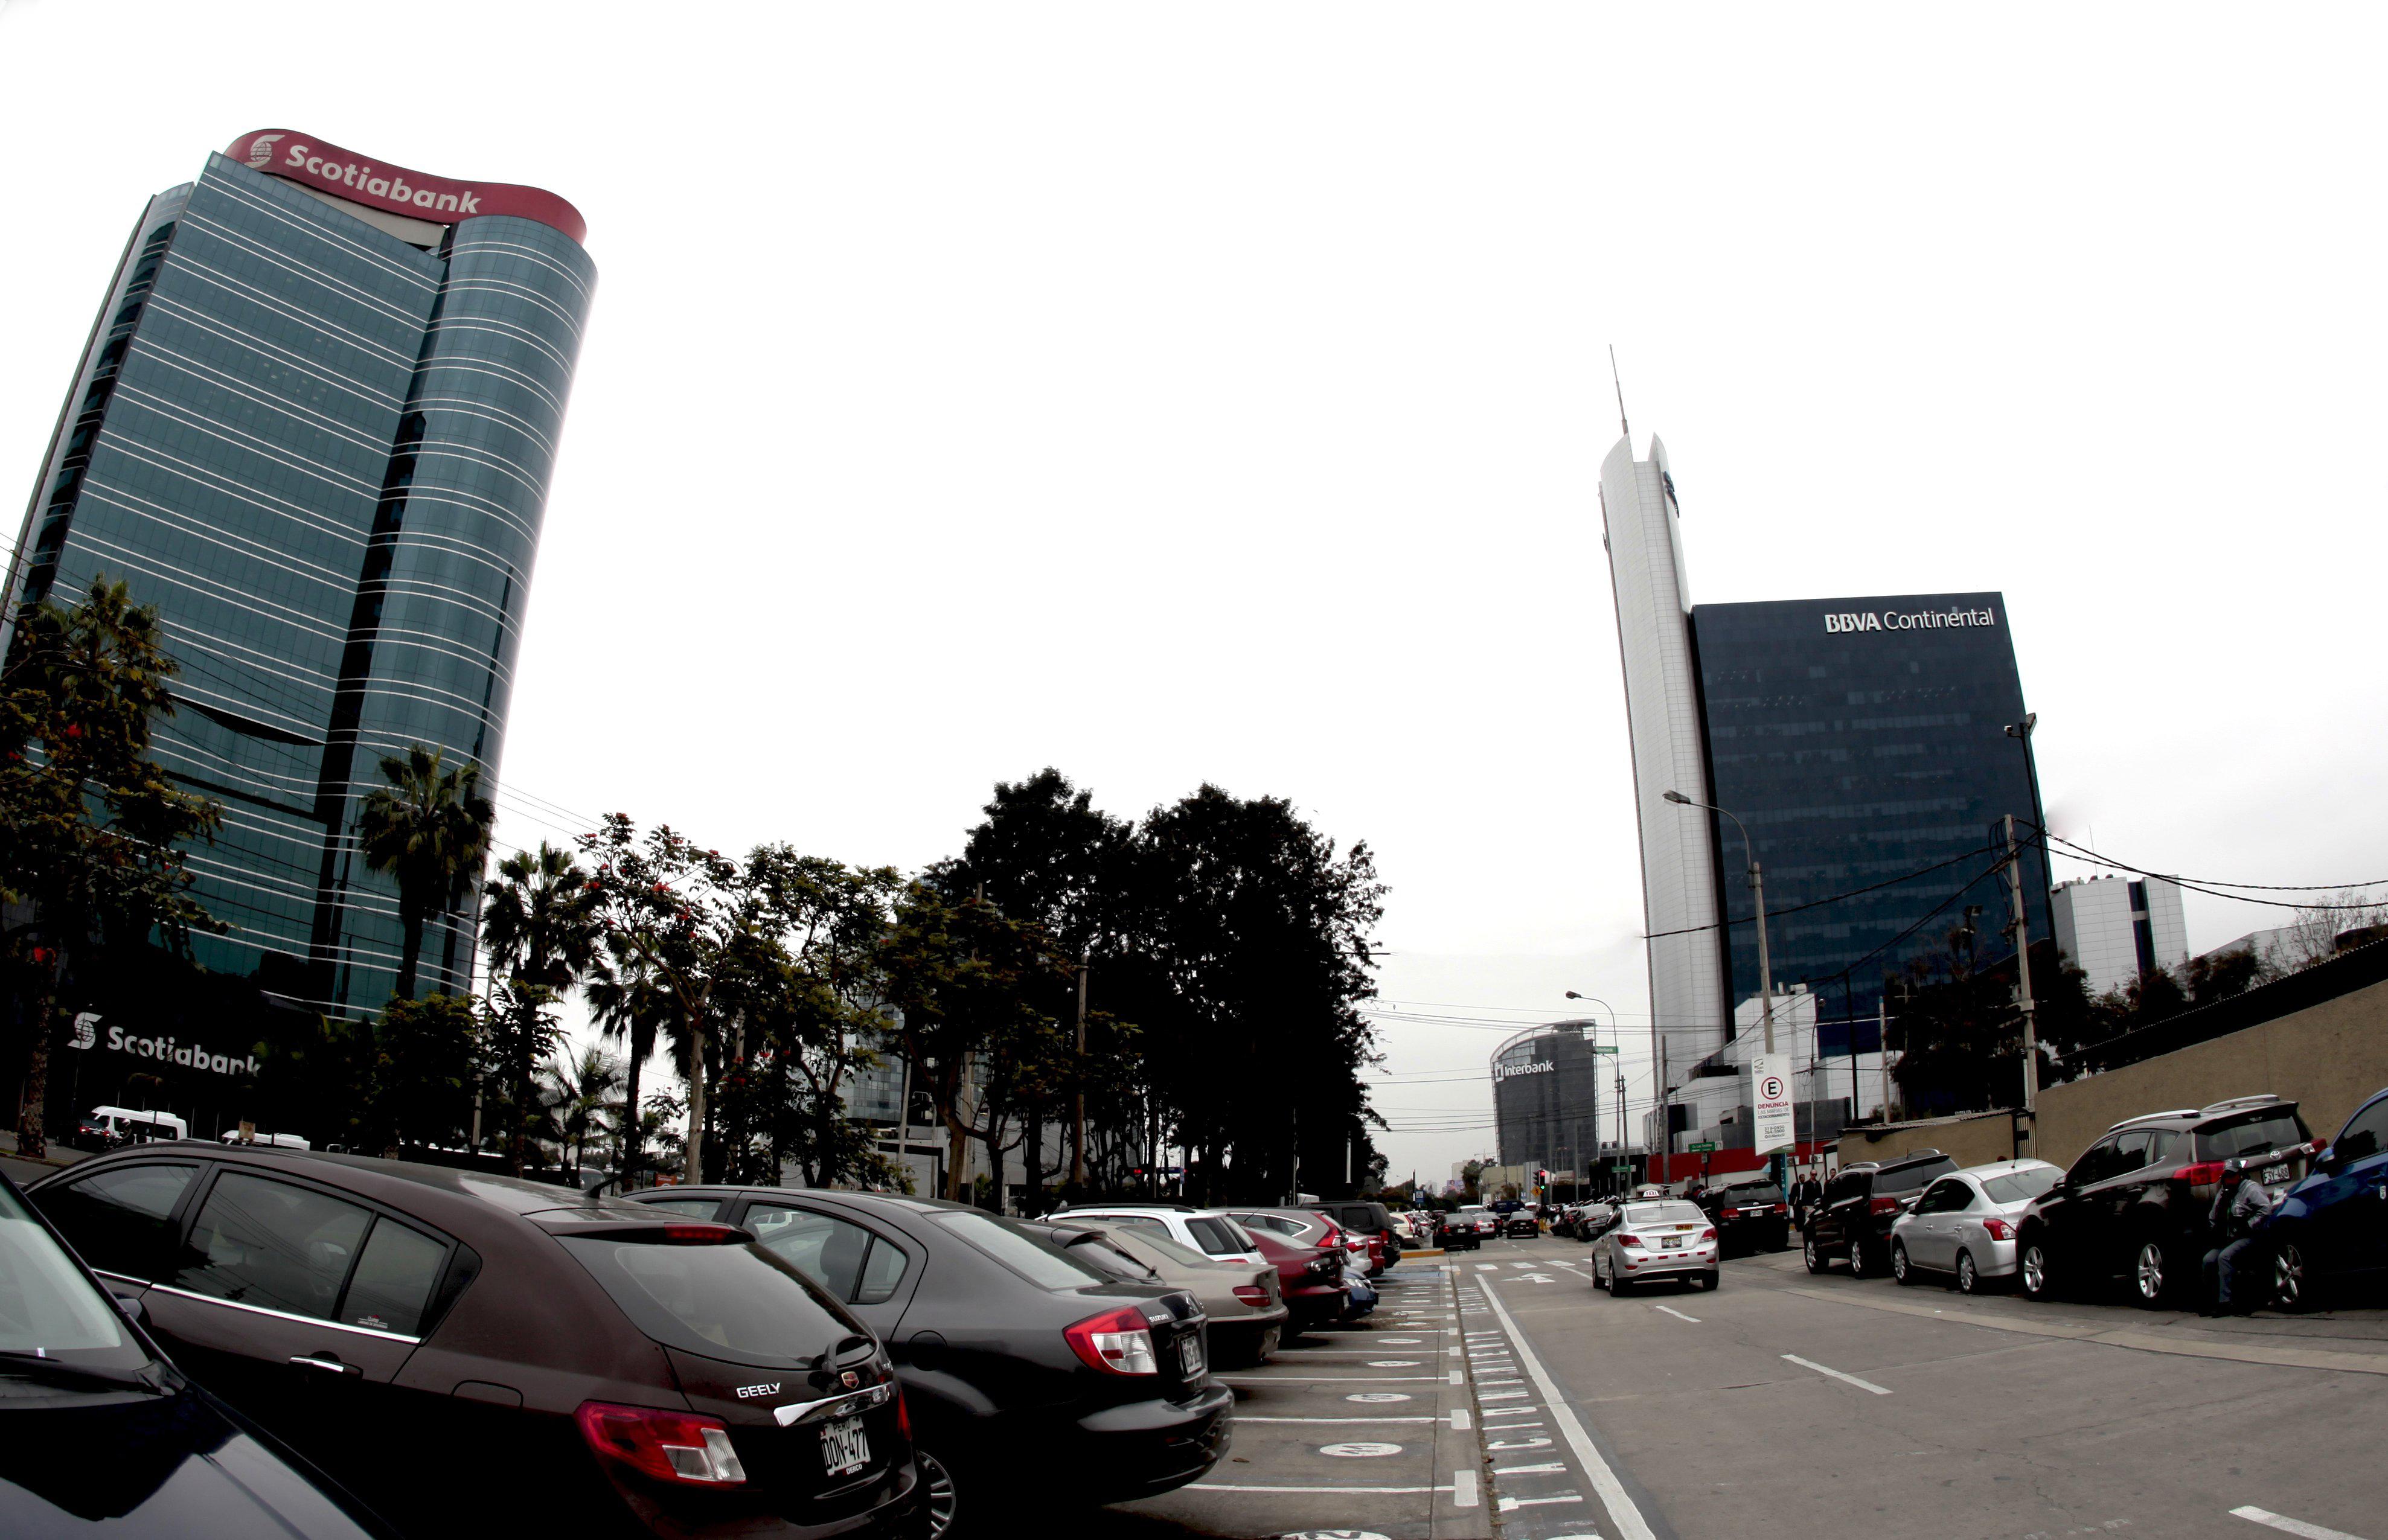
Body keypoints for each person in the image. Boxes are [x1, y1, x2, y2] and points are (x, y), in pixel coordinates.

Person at [2201, 1158, 2271, 1316]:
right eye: (2226, 1175)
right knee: (2208, 1260)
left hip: (2248, 1236)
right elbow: (2213, 1216)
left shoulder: (2251, 1189)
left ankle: (2225, 1302)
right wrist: (2216, 1232)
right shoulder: (2223, 1192)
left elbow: (2266, 1210)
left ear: (2240, 1174)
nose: (2229, 1179)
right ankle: (2209, 1302)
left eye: (2232, 1175)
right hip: (2227, 1239)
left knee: (2224, 1258)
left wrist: (2248, 1225)